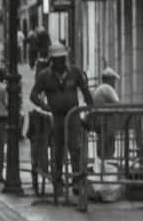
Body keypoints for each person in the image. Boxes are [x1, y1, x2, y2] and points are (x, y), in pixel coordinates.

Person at [29, 43, 93, 196]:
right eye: (57, 59)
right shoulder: (44, 76)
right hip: (56, 117)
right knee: (57, 150)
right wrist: (45, 107)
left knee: (74, 148)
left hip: (73, 116)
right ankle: (57, 181)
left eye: (63, 58)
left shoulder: (75, 72)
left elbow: (85, 90)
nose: (61, 61)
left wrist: (90, 110)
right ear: (52, 59)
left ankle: (77, 180)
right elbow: (33, 94)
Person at [91, 66, 120, 165]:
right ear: (110, 79)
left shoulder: (99, 88)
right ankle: (107, 164)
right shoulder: (107, 88)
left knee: (102, 142)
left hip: (99, 119)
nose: (115, 82)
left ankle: (102, 164)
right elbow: (117, 103)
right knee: (108, 143)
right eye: (114, 79)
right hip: (106, 120)